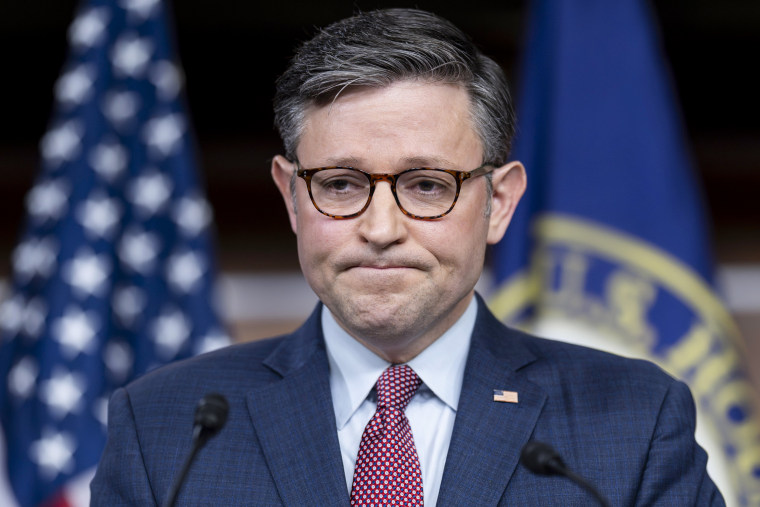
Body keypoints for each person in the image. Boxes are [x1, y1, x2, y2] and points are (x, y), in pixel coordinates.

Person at [91, 8, 724, 506]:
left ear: (499, 202)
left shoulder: (633, 421)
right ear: (291, 196)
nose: (381, 228)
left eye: (426, 185)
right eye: (340, 184)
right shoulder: (168, 428)